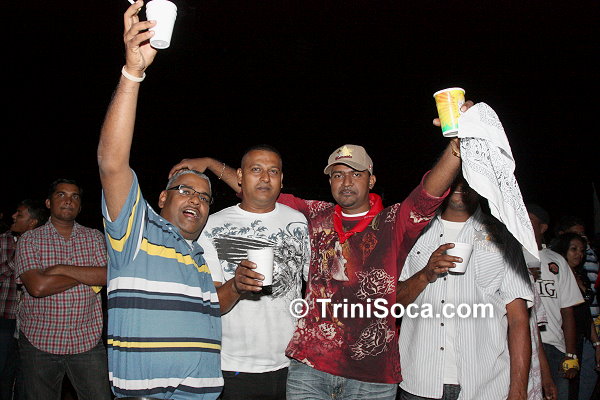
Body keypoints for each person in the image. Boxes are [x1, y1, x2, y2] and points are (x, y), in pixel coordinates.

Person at [173, 134, 464, 399]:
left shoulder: (392, 221)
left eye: (355, 174)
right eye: (338, 175)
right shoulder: (313, 215)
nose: (346, 182)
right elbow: (259, 189)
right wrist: (210, 164)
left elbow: (428, 195)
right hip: (309, 368)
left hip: (371, 376)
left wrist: (455, 149)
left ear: (371, 180)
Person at [97, 1, 223, 398]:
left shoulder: (199, 256)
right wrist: (132, 73)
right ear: (163, 197)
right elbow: (112, 164)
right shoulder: (137, 232)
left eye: (205, 197)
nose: (197, 200)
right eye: (186, 190)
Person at [396, 176, 533, 400]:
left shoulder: (503, 236)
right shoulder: (414, 232)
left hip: (486, 385)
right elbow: (392, 303)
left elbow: (518, 318)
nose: (461, 186)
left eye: (468, 178)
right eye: (454, 178)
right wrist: (425, 274)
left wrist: (518, 390)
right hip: (419, 380)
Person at [190, 145, 310, 399]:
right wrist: (236, 285)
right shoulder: (212, 225)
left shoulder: (299, 222)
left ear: (281, 179)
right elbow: (211, 305)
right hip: (234, 367)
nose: (265, 178)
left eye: (273, 171)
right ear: (240, 176)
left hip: (295, 365)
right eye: (256, 170)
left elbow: (317, 287)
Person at [14, 180, 111, 400]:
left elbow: (106, 276)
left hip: (86, 339)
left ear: (80, 205)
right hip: (40, 341)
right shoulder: (30, 239)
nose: (68, 200)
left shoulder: (94, 237)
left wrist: (60, 269)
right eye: (61, 195)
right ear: (48, 203)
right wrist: (86, 274)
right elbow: (37, 287)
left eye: (75, 196)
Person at [527, 204, 584, 400]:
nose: (523, 222)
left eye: (529, 220)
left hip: (553, 345)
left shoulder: (557, 261)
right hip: (522, 344)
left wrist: (571, 355)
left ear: (542, 227)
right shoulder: (511, 255)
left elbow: (567, 311)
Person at [0, 199, 48, 400]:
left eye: (19, 214)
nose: (13, 216)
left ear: (32, 222)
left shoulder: (44, 244)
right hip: (5, 318)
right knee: (3, 372)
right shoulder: (3, 241)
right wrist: (20, 255)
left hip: (32, 321)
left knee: (26, 376)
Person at [550, 232, 600, 400]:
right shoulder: (555, 274)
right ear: (563, 250)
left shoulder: (581, 275)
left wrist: (597, 343)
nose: (579, 254)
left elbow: (586, 312)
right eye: (574, 249)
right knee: (563, 387)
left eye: (582, 250)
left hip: (582, 338)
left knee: (579, 388)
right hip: (562, 339)